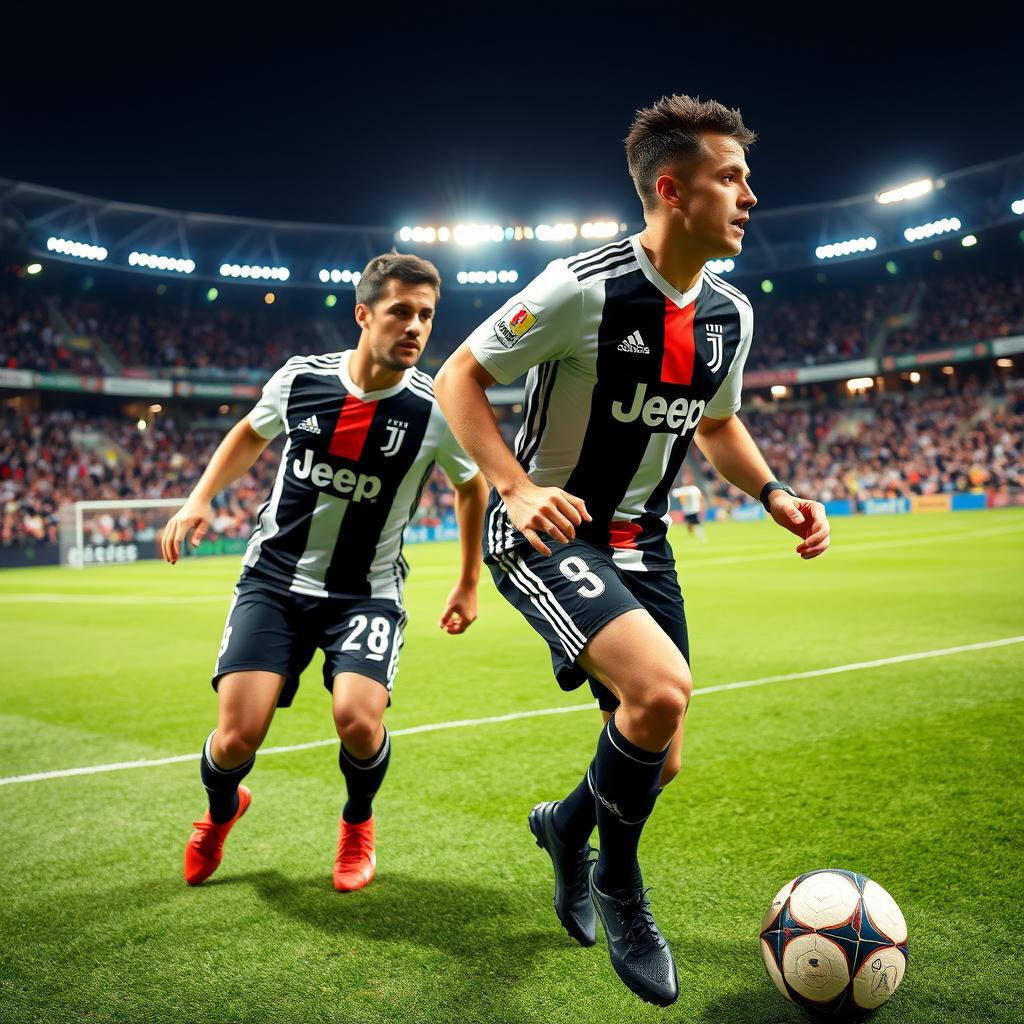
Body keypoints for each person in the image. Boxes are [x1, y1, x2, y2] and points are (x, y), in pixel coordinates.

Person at [434, 94, 830, 1007]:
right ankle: (620, 886)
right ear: (670, 188)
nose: (750, 195)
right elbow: (460, 374)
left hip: (643, 544)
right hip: (547, 529)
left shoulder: (729, 313)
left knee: (663, 750)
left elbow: (719, 426)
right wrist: (516, 486)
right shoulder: (583, 286)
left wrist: (773, 491)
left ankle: (565, 829)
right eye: (730, 177)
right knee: (657, 692)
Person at [162, 253, 487, 892]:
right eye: (400, 312)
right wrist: (199, 497)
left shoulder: (436, 411)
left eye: (426, 315)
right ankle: (221, 812)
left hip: (366, 593)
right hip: (275, 582)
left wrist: (469, 580)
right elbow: (248, 435)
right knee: (236, 738)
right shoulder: (301, 380)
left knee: (359, 721)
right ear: (364, 314)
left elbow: (471, 488)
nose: (415, 327)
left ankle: (357, 824)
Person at [672, 475, 707, 542]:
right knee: (690, 524)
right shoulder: (688, 489)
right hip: (687, 510)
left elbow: (681, 498)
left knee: (695, 522)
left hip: (693, 509)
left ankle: (702, 537)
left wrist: (702, 505)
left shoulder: (692, 489)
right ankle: (693, 537)